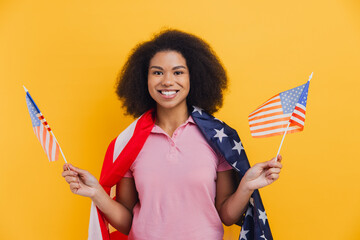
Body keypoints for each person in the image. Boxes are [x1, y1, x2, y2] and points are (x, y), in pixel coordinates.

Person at [62, 29, 283, 240]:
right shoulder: (130, 141)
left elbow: (226, 216)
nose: (167, 81)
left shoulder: (218, 138)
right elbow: (127, 221)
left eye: (178, 72)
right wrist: (96, 193)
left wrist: (246, 186)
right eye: (157, 72)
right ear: (144, 79)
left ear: (193, 77)